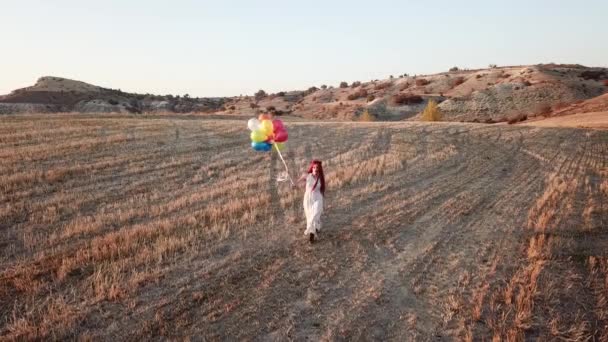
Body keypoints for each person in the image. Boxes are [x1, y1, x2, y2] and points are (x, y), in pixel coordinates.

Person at [295, 160, 325, 243]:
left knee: (315, 214)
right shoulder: (307, 176)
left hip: (318, 197)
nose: (315, 169)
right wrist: (294, 185)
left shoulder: (320, 178)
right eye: (314, 167)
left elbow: (322, 188)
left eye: (317, 168)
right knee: (310, 216)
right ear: (312, 168)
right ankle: (313, 232)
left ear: (319, 169)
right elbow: (298, 184)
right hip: (308, 198)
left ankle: (313, 229)